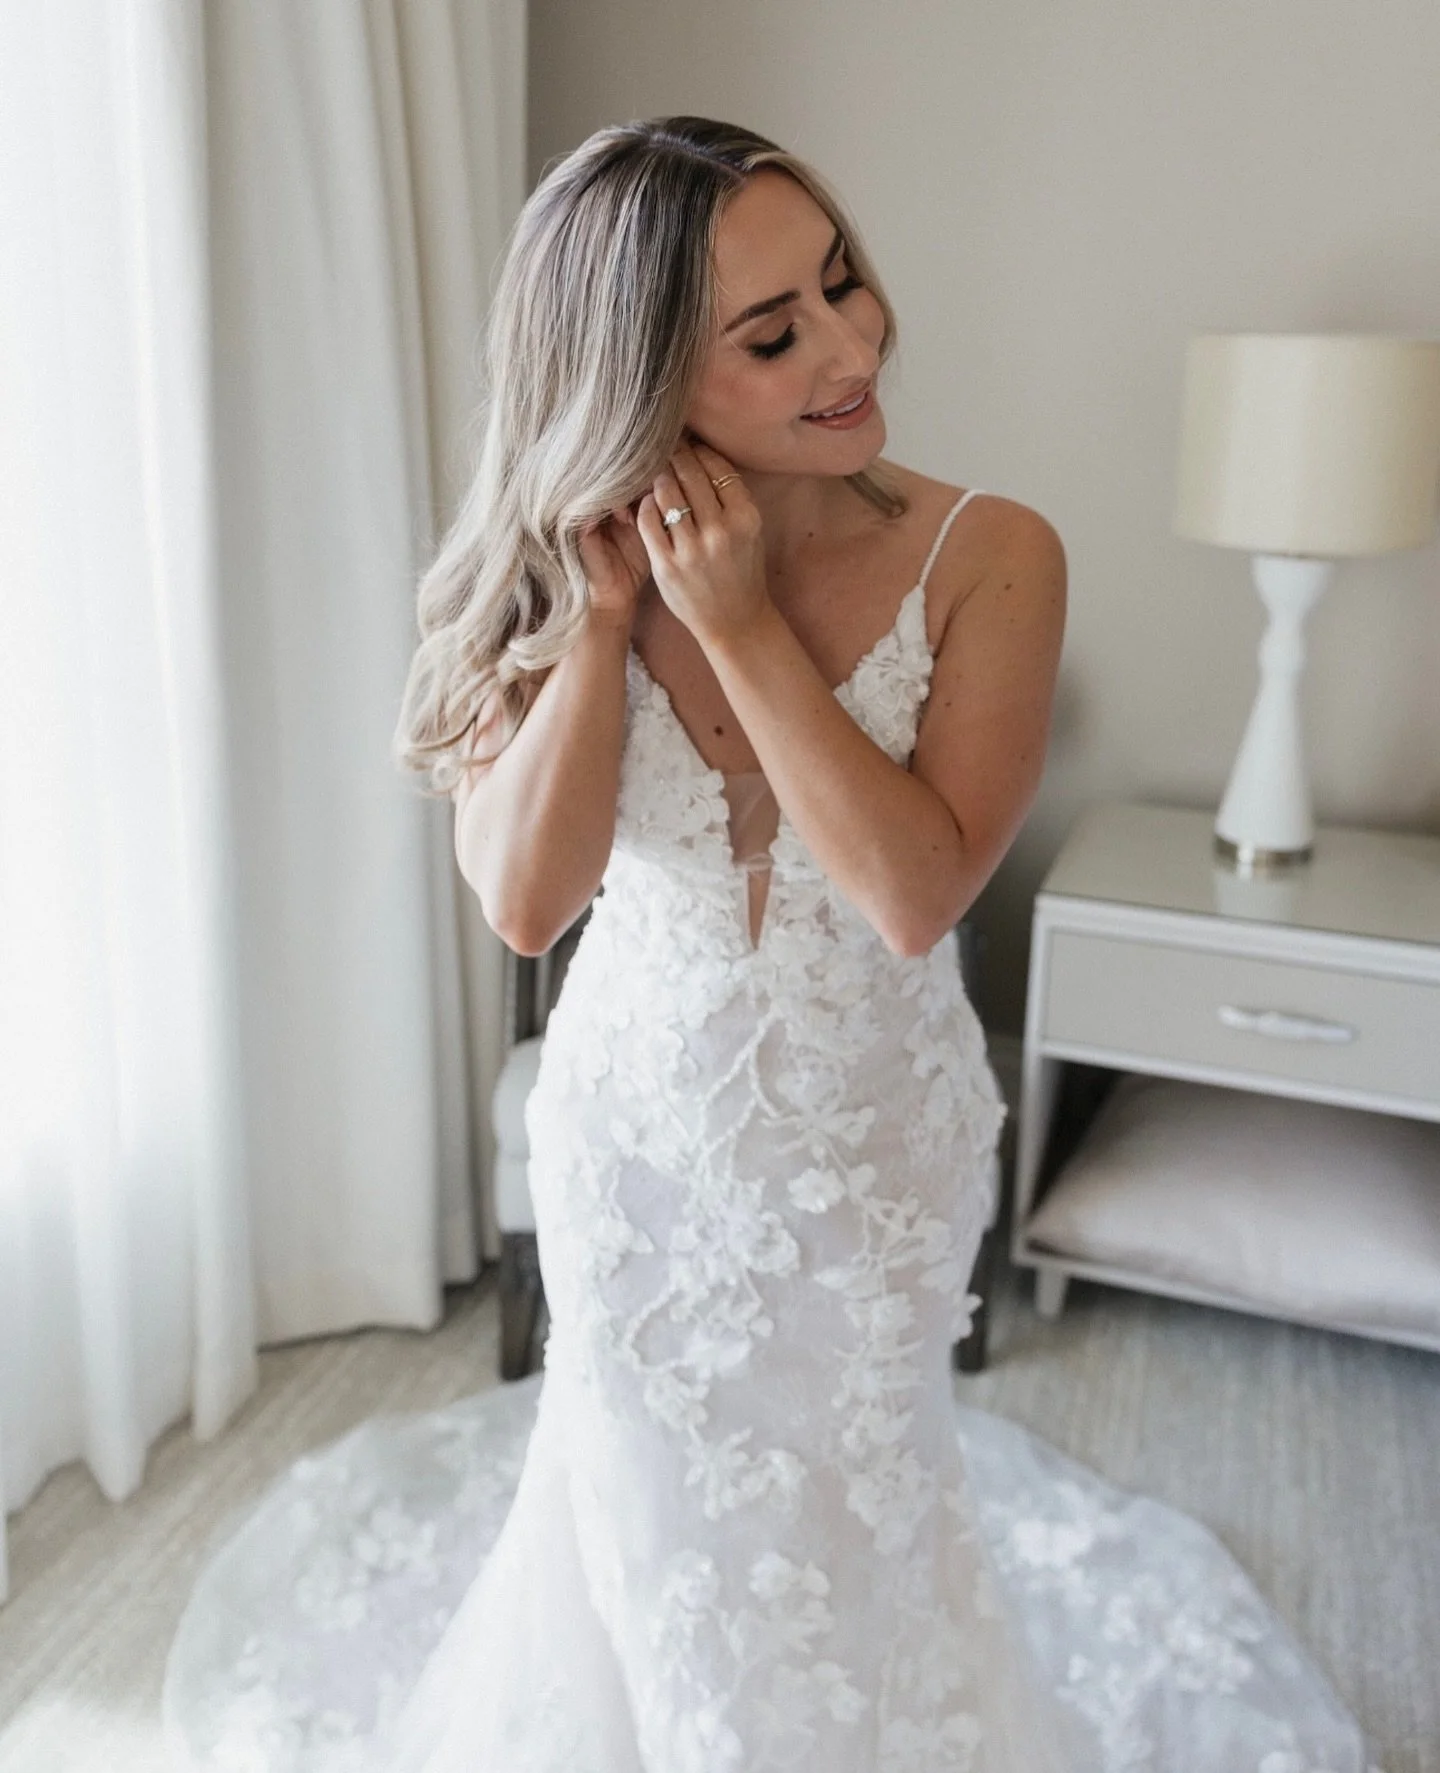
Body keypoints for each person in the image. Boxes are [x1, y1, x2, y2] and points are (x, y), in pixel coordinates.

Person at [162, 117, 1375, 1773]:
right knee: (635, 1500)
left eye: (842, 282)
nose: (851, 344)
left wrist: (733, 628)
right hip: (638, 1140)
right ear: (642, 376)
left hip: (872, 1150)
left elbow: (910, 892)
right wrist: (603, 627)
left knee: (859, 1514)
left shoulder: (992, 556)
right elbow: (528, 904)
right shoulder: (548, 575)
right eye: (773, 330)